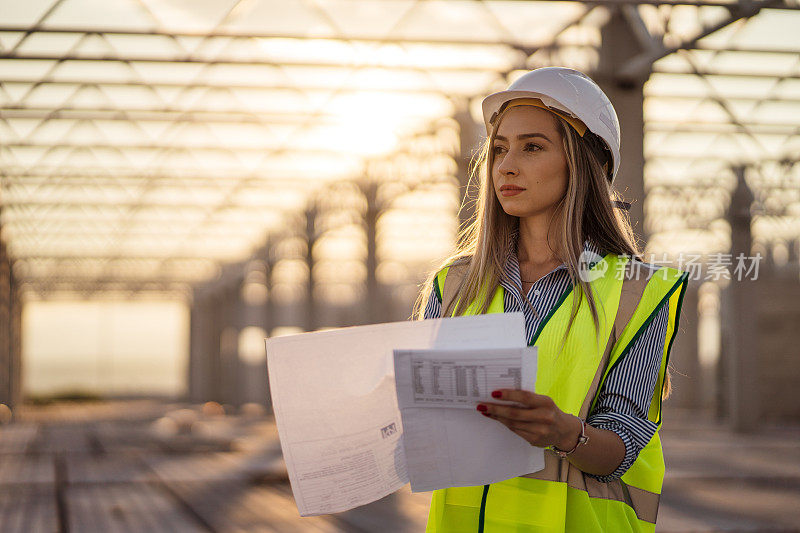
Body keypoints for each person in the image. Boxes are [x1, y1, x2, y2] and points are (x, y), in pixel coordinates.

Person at [414, 67, 689, 532]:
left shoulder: (637, 292)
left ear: (585, 164)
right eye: (499, 149)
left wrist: (565, 433)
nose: (506, 165)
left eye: (532, 147)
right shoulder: (453, 285)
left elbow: (625, 441)